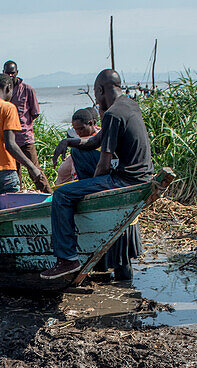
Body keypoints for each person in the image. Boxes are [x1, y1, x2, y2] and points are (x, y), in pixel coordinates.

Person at [42, 69, 154, 280]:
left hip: (126, 179)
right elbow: (95, 141)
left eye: (95, 93)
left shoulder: (113, 114)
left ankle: (67, 259)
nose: (95, 98)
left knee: (62, 195)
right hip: (142, 176)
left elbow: (103, 165)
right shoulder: (129, 105)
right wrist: (68, 142)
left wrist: (90, 194)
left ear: (101, 90)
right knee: (72, 189)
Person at [55, 106, 142, 281]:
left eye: (82, 129)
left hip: (112, 209)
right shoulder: (106, 137)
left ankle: (125, 298)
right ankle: (124, 295)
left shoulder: (88, 147)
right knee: (115, 261)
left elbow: (90, 177)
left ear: (94, 124)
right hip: (117, 208)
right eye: (76, 130)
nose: (79, 133)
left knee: (120, 262)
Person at [0, 74, 50, 210]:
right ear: (8, 88)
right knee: (12, 210)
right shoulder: (8, 108)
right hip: (5, 171)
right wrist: (32, 167)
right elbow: (10, 145)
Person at [3, 61, 41, 188]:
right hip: (9, 140)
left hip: (25, 137)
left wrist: (23, 125)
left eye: (12, 73)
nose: (10, 76)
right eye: (7, 73)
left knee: (35, 170)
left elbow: (35, 113)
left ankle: (49, 196)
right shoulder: (3, 91)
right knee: (14, 174)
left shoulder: (27, 89)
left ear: (17, 73)